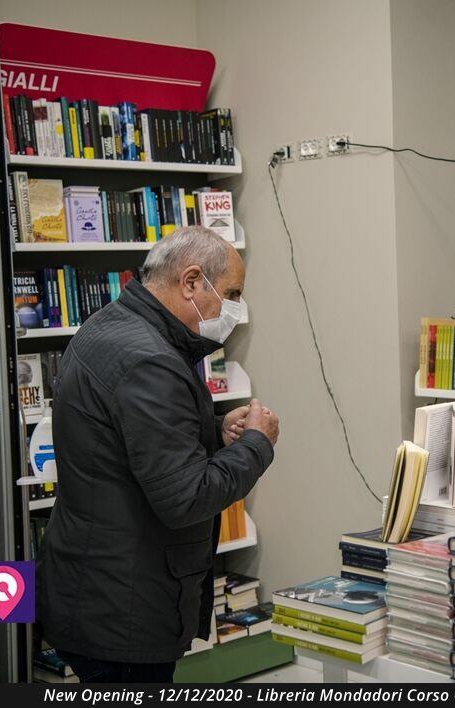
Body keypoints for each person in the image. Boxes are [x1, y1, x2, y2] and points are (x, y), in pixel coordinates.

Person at [37, 226, 279, 683]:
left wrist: (211, 430)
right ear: (190, 282)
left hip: (91, 586)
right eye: (229, 293)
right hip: (125, 605)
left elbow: (124, 436)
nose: (233, 308)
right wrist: (256, 445)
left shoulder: (110, 325)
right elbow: (186, 498)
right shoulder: (150, 359)